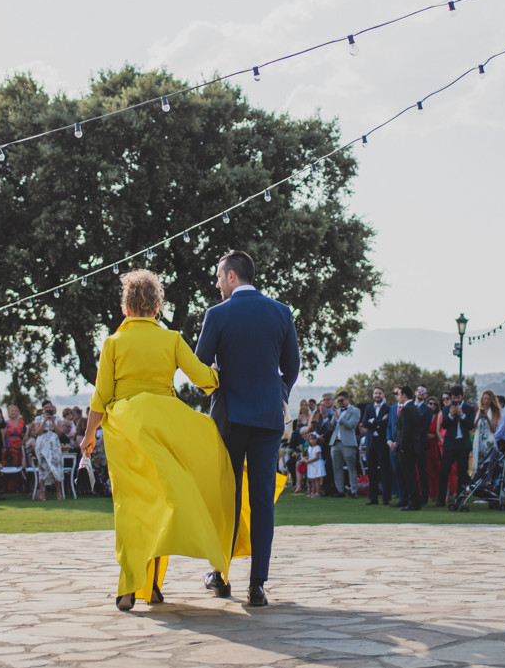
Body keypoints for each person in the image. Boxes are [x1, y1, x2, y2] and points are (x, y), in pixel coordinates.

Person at [80, 269, 238, 612]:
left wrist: (89, 436)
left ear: (126, 308)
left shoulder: (113, 343)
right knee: (162, 502)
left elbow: (100, 396)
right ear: (157, 307)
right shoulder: (172, 339)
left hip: (127, 430)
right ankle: (150, 587)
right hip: (166, 425)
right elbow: (205, 379)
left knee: (132, 508)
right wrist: (226, 371)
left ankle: (129, 587)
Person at [195, 250, 301, 608]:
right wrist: (278, 394)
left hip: (230, 418)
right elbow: (292, 366)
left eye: (218, 276)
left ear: (232, 277)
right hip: (269, 418)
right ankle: (257, 585)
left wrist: (220, 389)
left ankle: (221, 575)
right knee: (262, 503)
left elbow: (199, 368)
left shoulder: (218, 314)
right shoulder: (281, 312)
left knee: (228, 498)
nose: (216, 283)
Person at [437, 385, 477, 508]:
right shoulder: (447, 408)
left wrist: (462, 415)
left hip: (463, 444)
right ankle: (441, 500)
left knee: (462, 472)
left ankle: (459, 499)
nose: (456, 400)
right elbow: (444, 425)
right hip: (450, 443)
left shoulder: (469, 409)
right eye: (454, 398)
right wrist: (449, 415)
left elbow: (470, 426)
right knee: (444, 471)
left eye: (458, 397)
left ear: (462, 396)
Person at [393, 386, 426, 511]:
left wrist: (401, 447)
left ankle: (413, 502)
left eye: (399, 394)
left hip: (407, 449)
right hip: (414, 447)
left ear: (405, 395)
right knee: (411, 475)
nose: (398, 396)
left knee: (409, 476)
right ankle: (414, 501)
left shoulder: (406, 410)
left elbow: (405, 431)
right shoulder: (414, 408)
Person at [360, 387, 391, 505]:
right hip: (371, 442)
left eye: (380, 393)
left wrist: (374, 421)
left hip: (382, 442)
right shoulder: (368, 408)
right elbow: (365, 423)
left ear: (383, 395)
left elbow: (386, 423)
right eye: (376, 393)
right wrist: (378, 422)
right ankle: (373, 497)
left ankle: (386, 497)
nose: (377, 395)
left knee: (384, 470)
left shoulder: (388, 408)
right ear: (373, 395)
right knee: (371, 470)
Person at [31, 401, 65, 501]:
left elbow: (60, 432)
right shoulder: (38, 418)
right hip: (43, 441)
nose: (47, 409)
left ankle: (58, 492)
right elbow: (38, 432)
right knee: (43, 465)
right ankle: (42, 493)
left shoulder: (57, 418)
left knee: (56, 465)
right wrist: (45, 421)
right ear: (43, 409)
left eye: (49, 407)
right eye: (45, 407)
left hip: (54, 440)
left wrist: (53, 422)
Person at [330, 391, 361, 497]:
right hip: (335, 442)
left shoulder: (355, 410)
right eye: (338, 401)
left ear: (348, 399)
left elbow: (351, 425)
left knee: (351, 467)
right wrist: (325, 417)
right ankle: (340, 490)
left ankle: (353, 490)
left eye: (342, 400)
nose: (340, 403)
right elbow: (331, 427)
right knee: (337, 468)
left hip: (347, 442)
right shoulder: (337, 411)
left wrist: (339, 418)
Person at [2, 404, 26, 493]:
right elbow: (3, 435)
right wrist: (4, 446)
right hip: (10, 447)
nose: (14, 413)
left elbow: (24, 434)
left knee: (20, 466)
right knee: (10, 465)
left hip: (20, 446)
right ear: (9, 412)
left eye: (15, 411)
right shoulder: (6, 423)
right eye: (12, 411)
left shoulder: (21, 422)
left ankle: (19, 487)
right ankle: (9, 488)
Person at [304, 431, 325, 497]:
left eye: (314, 439)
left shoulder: (317, 447)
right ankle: (313, 491)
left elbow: (317, 457)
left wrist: (308, 461)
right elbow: (310, 455)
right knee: (312, 479)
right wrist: (305, 458)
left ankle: (317, 492)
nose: (312, 441)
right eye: (311, 439)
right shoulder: (310, 448)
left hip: (316, 464)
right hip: (311, 465)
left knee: (316, 479)